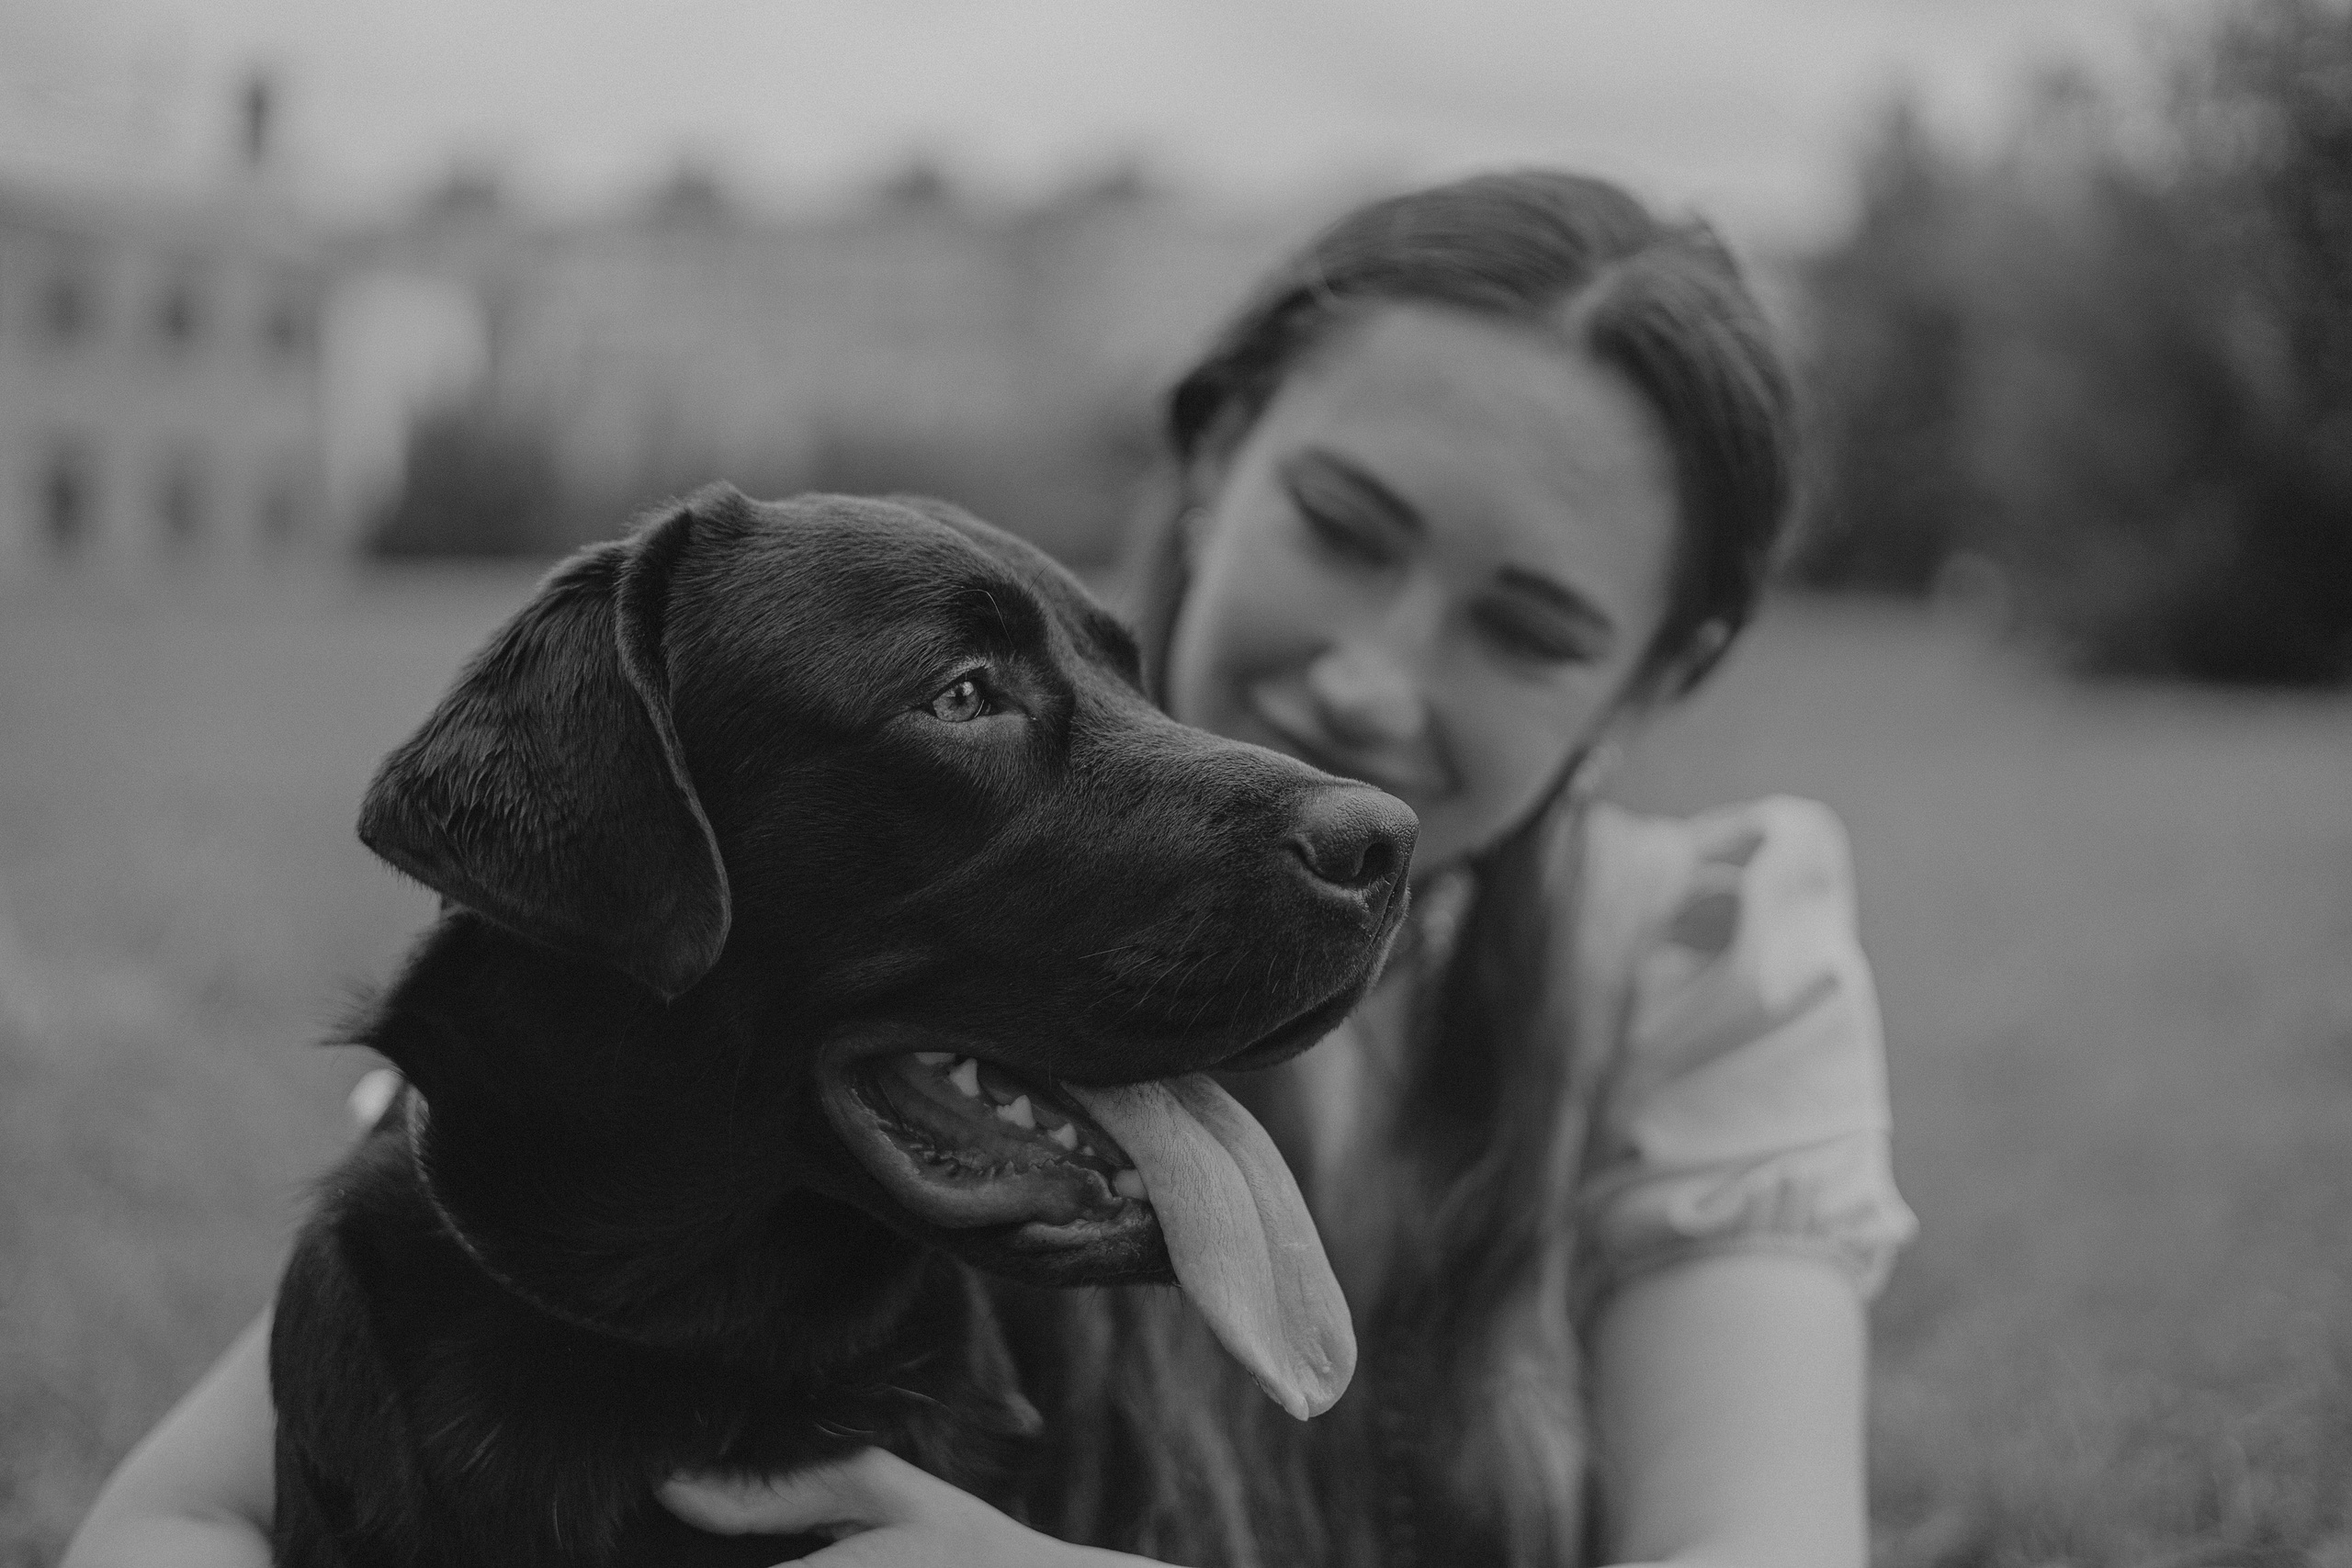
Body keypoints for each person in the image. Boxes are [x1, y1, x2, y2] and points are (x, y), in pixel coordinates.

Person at [65, 170, 1914, 1568]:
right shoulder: (651, 1023)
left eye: (1524, 629)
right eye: (1343, 529)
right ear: (1210, 454)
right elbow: (175, 1521)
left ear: (1650, 681)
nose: (1372, 678)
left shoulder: (1697, 967)